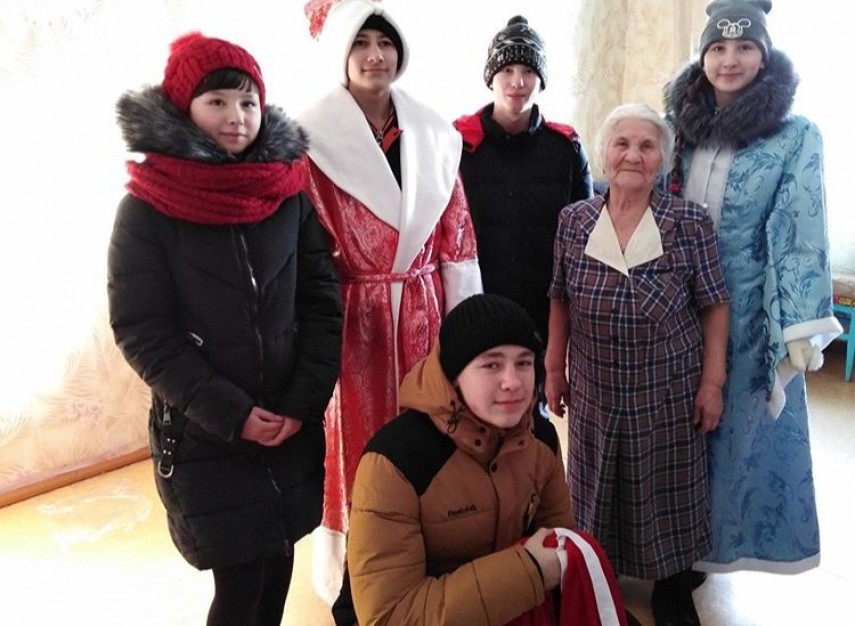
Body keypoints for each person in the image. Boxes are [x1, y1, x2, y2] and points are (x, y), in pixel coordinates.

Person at [107, 33, 343, 626]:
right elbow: (143, 330)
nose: (236, 116)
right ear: (183, 106)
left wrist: (302, 402)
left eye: (247, 102)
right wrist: (234, 415)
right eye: (217, 101)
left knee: (279, 566)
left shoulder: (287, 194)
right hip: (206, 432)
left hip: (289, 422)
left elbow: (322, 301)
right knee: (240, 588)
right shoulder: (147, 208)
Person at [299, 0, 482, 602]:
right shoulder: (308, 140)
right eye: (361, 42)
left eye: (385, 42)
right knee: (356, 438)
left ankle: (429, 552)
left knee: (430, 425)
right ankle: (358, 572)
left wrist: (470, 335)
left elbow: (457, 239)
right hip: (352, 318)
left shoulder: (435, 134)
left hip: (426, 307)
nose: (375, 55)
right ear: (341, 53)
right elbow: (301, 247)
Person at [664, 0, 842, 576]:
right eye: (718, 47)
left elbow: (799, 230)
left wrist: (800, 325)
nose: (730, 60)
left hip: (747, 312)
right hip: (670, 304)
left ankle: (702, 557)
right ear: (703, 56)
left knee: (729, 434)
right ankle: (661, 551)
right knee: (670, 429)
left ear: (764, 56)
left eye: (744, 47)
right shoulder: (676, 127)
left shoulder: (794, 136)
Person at [545, 103, 731, 625]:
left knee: (667, 486)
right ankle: (596, 573)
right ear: (604, 154)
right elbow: (559, 297)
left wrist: (712, 382)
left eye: (647, 146)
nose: (633, 155)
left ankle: (672, 585)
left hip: (667, 388)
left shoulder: (688, 222)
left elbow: (715, 304)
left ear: (663, 160)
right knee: (595, 484)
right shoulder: (574, 220)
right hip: (596, 387)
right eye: (621, 144)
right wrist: (554, 368)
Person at [337, 293, 628, 626]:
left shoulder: (540, 440)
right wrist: (528, 571)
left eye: (524, 363)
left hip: (510, 606)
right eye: (491, 364)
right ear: (453, 376)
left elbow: (557, 538)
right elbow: (391, 616)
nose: (512, 382)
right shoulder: (395, 461)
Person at [454, 15, 593, 365]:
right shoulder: (457, 145)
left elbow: (585, 240)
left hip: (545, 312)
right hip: (474, 304)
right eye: (507, 70)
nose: (517, 82)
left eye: (528, 71)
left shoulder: (566, 149)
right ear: (491, 77)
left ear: (541, 80)